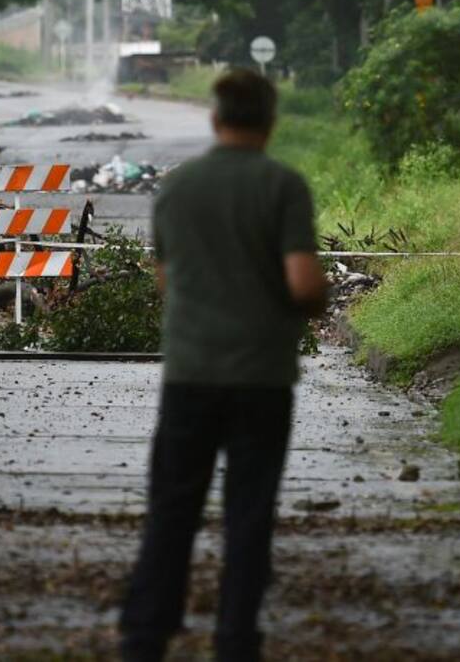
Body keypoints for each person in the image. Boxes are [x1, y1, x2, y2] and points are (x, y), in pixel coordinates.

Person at [120, 69, 328, 662]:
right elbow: (302, 282)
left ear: (215, 119)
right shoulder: (282, 185)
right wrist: (318, 299)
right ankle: (235, 640)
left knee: (172, 511)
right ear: (270, 121)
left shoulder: (178, 189)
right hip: (262, 378)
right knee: (249, 513)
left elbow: (166, 279)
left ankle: (145, 637)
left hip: (189, 374)